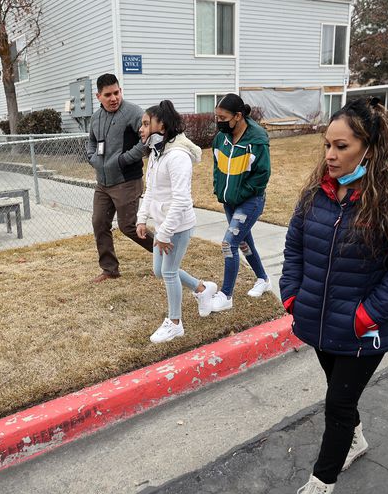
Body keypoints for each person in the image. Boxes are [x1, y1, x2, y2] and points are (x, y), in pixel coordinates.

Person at [278, 97, 388, 494]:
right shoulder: (317, 192)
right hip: (318, 323)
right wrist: (293, 296)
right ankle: (355, 438)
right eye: (327, 145)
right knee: (339, 393)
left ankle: (319, 490)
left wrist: (366, 317)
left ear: (369, 146)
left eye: (341, 147)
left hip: (364, 330)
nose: (329, 155)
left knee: (338, 403)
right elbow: (294, 250)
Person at [135, 101, 218, 343]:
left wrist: (164, 234)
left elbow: (182, 200)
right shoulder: (156, 153)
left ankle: (175, 323)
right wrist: (142, 219)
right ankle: (202, 289)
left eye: (145, 123)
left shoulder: (178, 155)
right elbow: (150, 190)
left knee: (169, 272)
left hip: (178, 226)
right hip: (163, 225)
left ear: (161, 125)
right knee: (159, 271)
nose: (141, 129)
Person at [86, 73, 153, 283]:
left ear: (120, 91)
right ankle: (110, 269)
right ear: (99, 96)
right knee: (99, 223)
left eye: (116, 92)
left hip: (126, 181)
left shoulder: (133, 112)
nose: (114, 98)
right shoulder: (96, 118)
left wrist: (125, 159)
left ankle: (166, 255)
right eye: (108, 95)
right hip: (103, 183)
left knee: (129, 227)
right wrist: (92, 159)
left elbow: (147, 138)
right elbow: (91, 142)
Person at [210, 93, 273, 312]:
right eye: (216, 116)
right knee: (245, 243)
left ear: (238, 116)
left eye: (223, 117)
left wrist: (241, 193)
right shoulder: (221, 138)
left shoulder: (256, 139)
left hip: (250, 201)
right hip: (229, 201)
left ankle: (226, 295)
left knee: (229, 243)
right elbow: (217, 166)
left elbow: (262, 175)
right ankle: (263, 279)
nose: (219, 121)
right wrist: (220, 189)